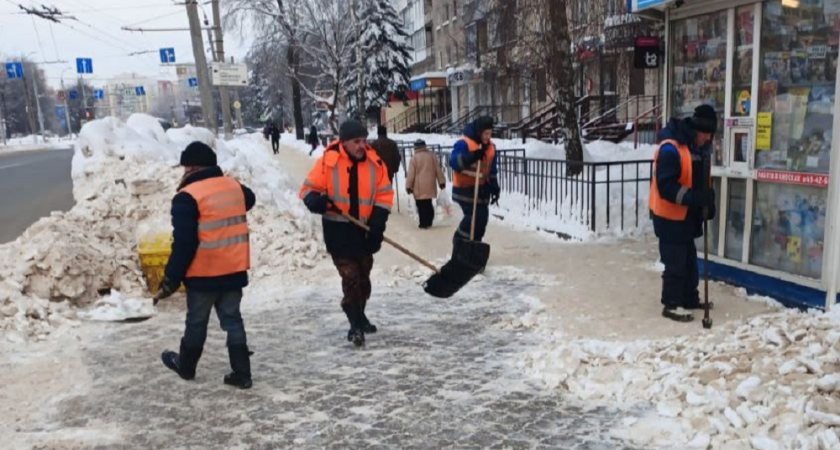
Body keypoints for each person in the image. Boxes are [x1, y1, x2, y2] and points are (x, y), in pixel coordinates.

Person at [155, 141, 257, 388]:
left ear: (191, 167)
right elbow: (250, 198)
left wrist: (170, 279)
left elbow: (184, 244)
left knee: (197, 322)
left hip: (203, 275)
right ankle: (242, 373)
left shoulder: (187, 197)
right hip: (233, 269)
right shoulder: (234, 188)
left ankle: (187, 366)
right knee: (233, 319)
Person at [299, 119, 394, 347]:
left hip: (365, 231)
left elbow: (384, 196)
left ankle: (360, 315)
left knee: (363, 280)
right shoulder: (328, 163)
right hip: (338, 232)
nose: (362, 145)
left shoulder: (375, 164)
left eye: (364, 140)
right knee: (351, 279)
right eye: (356, 141)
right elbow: (307, 191)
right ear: (344, 143)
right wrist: (317, 202)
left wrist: (377, 225)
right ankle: (355, 325)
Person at [650, 104, 718, 323]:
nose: (708, 139)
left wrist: (708, 201)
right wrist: (694, 198)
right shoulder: (670, 148)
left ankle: (688, 297)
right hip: (669, 218)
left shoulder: (696, 149)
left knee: (689, 261)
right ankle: (671, 303)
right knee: (675, 262)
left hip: (687, 217)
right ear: (696, 130)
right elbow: (666, 187)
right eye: (705, 135)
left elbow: (698, 180)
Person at [449, 116, 500, 243]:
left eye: (490, 133)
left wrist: (494, 186)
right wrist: (472, 156)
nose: (488, 137)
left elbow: (491, 170)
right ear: (479, 132)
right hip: (464, 189)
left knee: (482, 218)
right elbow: (454, 161)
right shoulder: (464, 143)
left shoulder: (490, 147)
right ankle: (459, 241)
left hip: (481, 190)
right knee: (473, 218)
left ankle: (475, 244)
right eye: (486, 133)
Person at [406, 139, 446, 229]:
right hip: (430, 185)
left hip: (419, 187)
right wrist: (441, 181)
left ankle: (423, 223)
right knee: (428, 203)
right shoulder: (432, 156)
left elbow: (411, 175)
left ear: (415, 147)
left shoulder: (414, 159)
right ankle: (429, 220)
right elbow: (438, 170)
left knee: (421, 206)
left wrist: (408, 186)